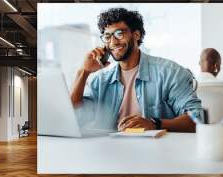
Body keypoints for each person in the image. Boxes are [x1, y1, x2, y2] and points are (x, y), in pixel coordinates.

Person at [70, 7, 202, 132]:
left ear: (136, 35)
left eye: (119, 34)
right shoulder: (100, 81)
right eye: (107, 36)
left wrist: (154, 124)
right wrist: (83, 72)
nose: (113, 42)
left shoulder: (169, 73)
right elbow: (74, 118)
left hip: (157, 152)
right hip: (110, 152)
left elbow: (197, 119)